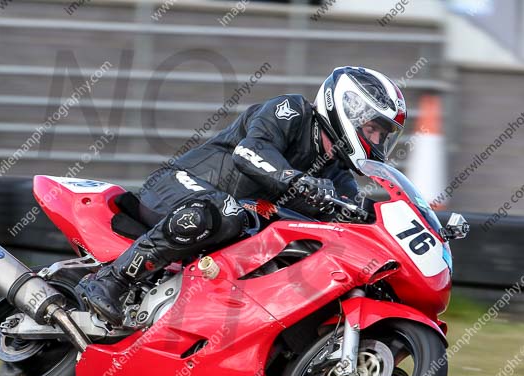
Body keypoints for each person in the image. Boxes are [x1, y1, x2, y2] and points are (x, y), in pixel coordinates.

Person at [80, 66, 407, 325]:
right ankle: (110, 280)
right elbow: (249, 152)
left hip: (230, 229)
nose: (377, 139)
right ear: (349, 108)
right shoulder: (291, 111)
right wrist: (295, 179)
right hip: (178, 186)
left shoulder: (337, 177)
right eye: (373, 128)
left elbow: (351, 218)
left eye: (383, 134)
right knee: (225, 210)